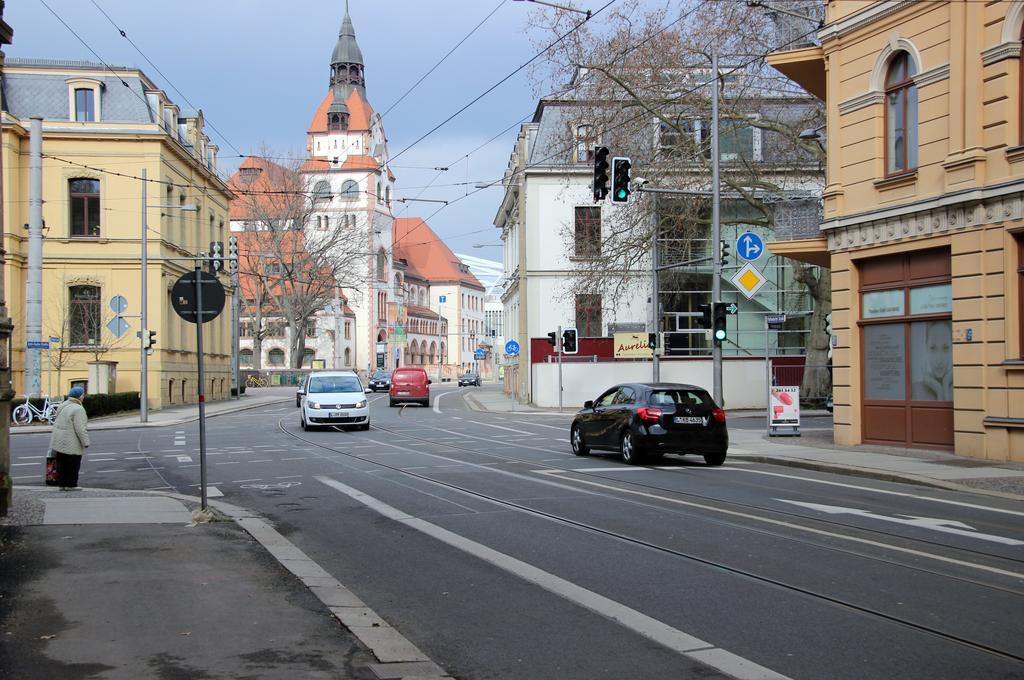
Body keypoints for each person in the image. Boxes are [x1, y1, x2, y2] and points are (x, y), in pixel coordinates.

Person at [48, 386, 90, 491]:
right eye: (83, 395)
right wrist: (85, 442)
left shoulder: (62, 406)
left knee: (61, 464)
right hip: (71, 442)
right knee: (73, 464)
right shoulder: (78, 409)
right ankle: (71, 485)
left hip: (59, 441)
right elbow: (80, 428)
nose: (83, 397)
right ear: (80, 397)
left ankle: (62, 484)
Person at [912, 320, 953, 401]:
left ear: (952, 348)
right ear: (926, 347)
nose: (939, 360)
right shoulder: (916, 390)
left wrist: (946, 384)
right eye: (933, 348)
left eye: (945, 348)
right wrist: (939, 390)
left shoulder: (960, 388)